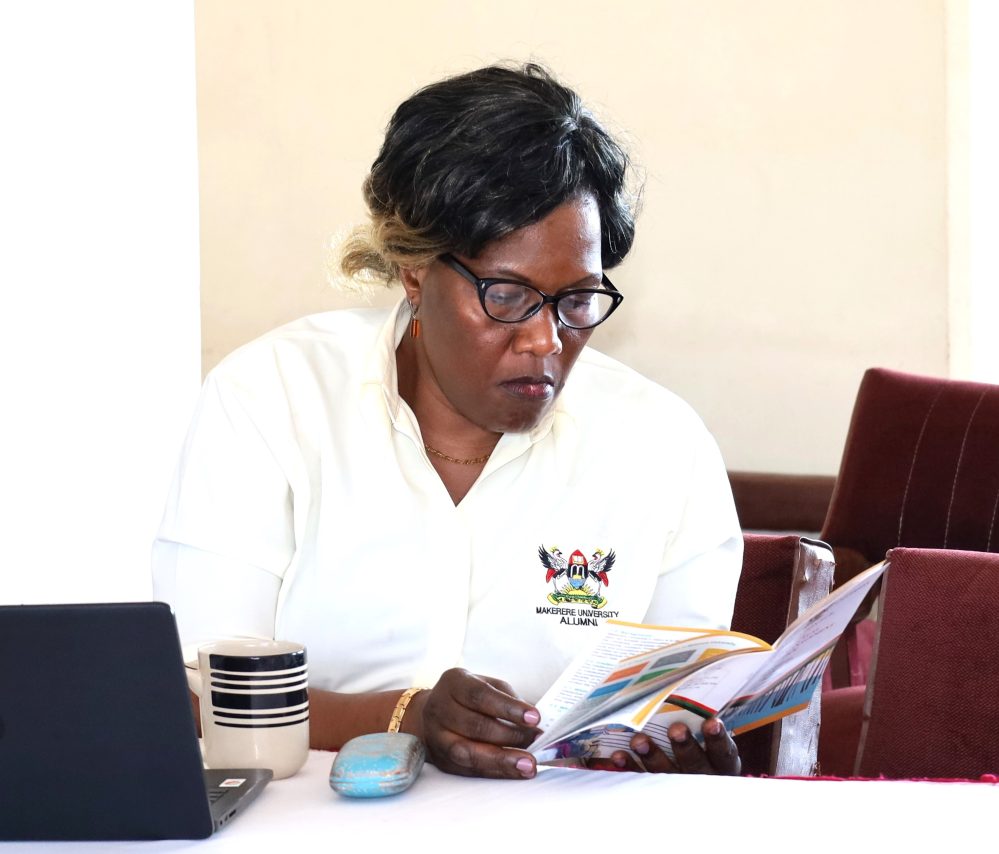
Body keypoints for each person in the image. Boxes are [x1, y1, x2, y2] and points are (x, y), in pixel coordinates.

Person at [153, 63, 743, 779]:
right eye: (507, 295)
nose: (545, 341)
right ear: (414, 270)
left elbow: (674, 703)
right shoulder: (273, 398)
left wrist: (673, 752)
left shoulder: (661, 446)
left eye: (576, 300)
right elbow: (190, 695)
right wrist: (405, 717)